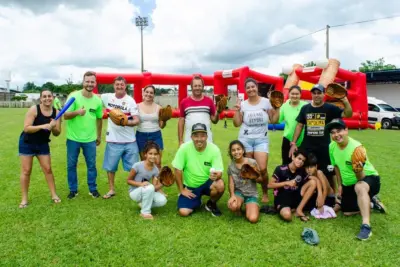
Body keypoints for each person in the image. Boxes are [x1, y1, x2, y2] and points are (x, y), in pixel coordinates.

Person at [326, 118, 386, 240]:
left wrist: (357, 170)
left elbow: (361, 178)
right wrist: (340, 185)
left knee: (360, 186)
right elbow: (336, 167)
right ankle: (371, 203)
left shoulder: (356, 148)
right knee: (347, 212)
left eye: (339, 131)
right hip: (349, 183)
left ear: (346, 130)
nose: (336, 135)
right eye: (332, 132)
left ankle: (366, 226)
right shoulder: (332, 146)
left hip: (369, 178)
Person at [289, 83, 353, 191]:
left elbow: (348, 114)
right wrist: (293, 143)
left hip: (324, 147)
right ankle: (309, 191)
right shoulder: (305, 108)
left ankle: (333, 194)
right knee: (306, 171)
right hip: (308, 147)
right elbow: (300, 125)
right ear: (311, 95)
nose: (316, 95)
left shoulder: (330, 108)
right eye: (314, 93)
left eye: (319, 93)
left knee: (329, 172)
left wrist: (345, 100)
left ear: (324, 95)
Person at [232, 78, 280, 203]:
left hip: (261, 140)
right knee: (248, 168)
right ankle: (248, 193)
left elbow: (274, 120)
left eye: (253, 86)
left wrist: (277, 108)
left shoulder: (266, 102)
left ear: (257, 87)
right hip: (245, 139)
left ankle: (264, 192)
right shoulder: (243, 104)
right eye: (248, 87)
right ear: (245, 90)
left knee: (262, 169)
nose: (251, 89)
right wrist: (237, 110)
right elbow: (237, 124)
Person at [18, 89, 62, 208]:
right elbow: (27, 128)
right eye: (44, 96)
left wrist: (53, 127)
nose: (47, 98)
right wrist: (44, 126)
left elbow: (57, 133)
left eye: (49, 96)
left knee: (47, 169)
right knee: (26, 171)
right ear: (41, 98)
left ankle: (54, 195)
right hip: (27, 143)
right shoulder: (34, 109)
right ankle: (24, 199)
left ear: (53, 97)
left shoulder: (57, 112)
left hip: (42, 143)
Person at [64, 71, 103, 199]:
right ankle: (73, 190)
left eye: (92, 82)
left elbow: (99, 118)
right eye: (87, 81)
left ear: (95, 83)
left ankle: (93, 189)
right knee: (71, 165)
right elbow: (65, 115)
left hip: (90, 139)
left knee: (91, 165)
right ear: (83, 81)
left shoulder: (97, 100)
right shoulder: (73, 96)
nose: (90, 84)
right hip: (73, 138)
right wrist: (77, 112)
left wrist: (98, 136)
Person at [172, 123, 225, 217]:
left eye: (202, 136)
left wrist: (217, 175)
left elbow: (219, 172)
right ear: (191, 136)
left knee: (220, 184)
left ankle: (211, 203)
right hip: (191, 186)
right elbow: (177, 169)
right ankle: (197, 200)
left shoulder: (214, 149)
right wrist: (181, 189)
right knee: (183, 212)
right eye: (196, 136)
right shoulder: (184, 148)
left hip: (207, 182)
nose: (199, 139)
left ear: (207, 136)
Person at [101, 76, 140, 199]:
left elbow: (136, 120)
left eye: (121, 84)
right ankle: (111, 189)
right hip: (113, 140)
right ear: (114, 86)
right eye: (117, 84)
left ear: (125, 86)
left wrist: (125, 122)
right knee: (111, 167)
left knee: (134, 167)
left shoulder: (130, 100)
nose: (119, 86)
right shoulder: (107, 97)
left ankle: (134, 188)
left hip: (129, 140)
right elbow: (93, 96)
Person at [268, 150, 317, 222]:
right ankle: (289, 210)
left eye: (303, 161)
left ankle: (299, 210)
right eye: (299, 159)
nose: (300, 162)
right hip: (282, 199)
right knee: (287, 216)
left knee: (313, 182)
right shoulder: (280, 169)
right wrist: (286, 183)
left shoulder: (301, 170)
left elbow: (314, 179)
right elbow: (269, 185)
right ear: (293, 157)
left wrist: (320, 196)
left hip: (295, 197)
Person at [127, 141, 168, 220]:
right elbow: (128, 180)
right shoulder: (137, 165)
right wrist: (140, 184)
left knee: (163, 200)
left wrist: (163, 183)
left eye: (155, 154)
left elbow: (154, 188)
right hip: (134, 192)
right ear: (145, 154)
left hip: (147, 190)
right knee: (149, 187)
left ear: (158, 155)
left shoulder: (156, 170)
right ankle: (145, 213)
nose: (153, 156)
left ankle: (143, 204)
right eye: (150, 153)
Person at [178, 76, 221, 146]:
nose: (197, 88)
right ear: (191, 87)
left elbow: (214, 120)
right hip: (189, 140)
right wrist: (180, 140)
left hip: (207, 140)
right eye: (195, 86)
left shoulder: (209, 101)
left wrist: (218, 112)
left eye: (199, 86)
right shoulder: (184, 102)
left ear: (203, 87)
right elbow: (181, 121)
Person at [227, 140, 260, 223]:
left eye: (238, 149)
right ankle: (239, 206)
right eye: (233, 150)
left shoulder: (252, 162)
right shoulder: (231, 166)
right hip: (239, 193)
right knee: (233, 206)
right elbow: (231, 183)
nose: (236, 152)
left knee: (253, 219)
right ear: (231, 152)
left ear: (243, 150)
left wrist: (253, 176)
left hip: (251, 194)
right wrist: (232, 195)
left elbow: (261, 180)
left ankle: (251, 206)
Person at [136, 85, 166, 170]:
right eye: (147, 92)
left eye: (151, 93)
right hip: (141, 135)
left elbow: (161, 126)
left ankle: (156, 182)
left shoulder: (159, 108)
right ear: (143, 93)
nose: (149, 94)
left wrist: (165, 120)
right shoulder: (137, 106)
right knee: (144, 161)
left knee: (158, 162)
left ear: (154, 95)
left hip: (155, 135)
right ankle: (145, 182)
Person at [279, 85, 307, 164]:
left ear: (300, 95)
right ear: (289, 94)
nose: (294, 96)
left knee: (301, 163)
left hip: (302, 140)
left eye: (297, 94)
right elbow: (278, 120)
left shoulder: (305, 106)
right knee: (286, 163)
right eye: (292, 93)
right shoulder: (284, 106)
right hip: (287, 139)